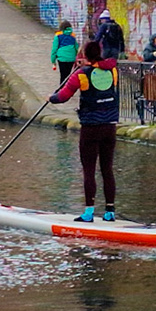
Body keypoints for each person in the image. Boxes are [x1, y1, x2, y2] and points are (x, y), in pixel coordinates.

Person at [47, 40, 120, 222]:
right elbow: (100, 69)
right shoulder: (113, 71)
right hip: (110, 126)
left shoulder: (80, 75)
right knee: (107, 169)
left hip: (90, 128)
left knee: (89, 170)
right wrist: (88, 64)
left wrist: (51, 98)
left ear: (85, 55)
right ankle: (109, 211)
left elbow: (63, 96)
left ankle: (88, 212)